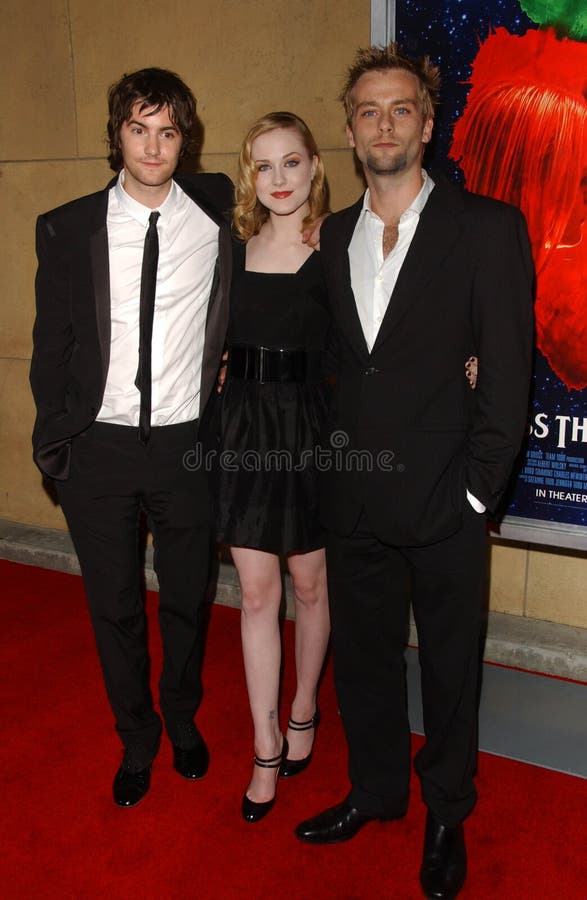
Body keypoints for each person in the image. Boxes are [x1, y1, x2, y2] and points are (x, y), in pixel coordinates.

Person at [294, 43, 534, 900]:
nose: (383, 123)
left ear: (427, 127)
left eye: (401, 109)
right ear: (351, 132)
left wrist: (476, 492)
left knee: (448, 668)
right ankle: (375, 790)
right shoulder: (331, 239)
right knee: (360, 660)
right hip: (353, 496)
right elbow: (337, 364)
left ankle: (446, 810)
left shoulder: (486, 228)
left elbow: (507, 373)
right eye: (367, 111)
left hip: (445, 501)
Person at [30, 68, 233, 808]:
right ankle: (136, 737)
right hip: (99, 449)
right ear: (116, 134)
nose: (153, 147)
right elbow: (50, 348)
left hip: (185, 444)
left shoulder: (219, 213)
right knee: (113, 605)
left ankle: (181, 718)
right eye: (139, 129)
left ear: (186, 140)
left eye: (169, 131)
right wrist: (56, 442)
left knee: (186, 596)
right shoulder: (67, 225)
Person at [214, 112, 331, 822]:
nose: (279, 179)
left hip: (313, 425)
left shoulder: (337, 243)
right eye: (264, 166)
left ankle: (304, 706)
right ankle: (263, 744)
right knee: (256, 594)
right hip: (244, 425)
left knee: (309, 583)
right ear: (248, 177)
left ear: (314, 166)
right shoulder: (233, 250)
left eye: (291, 163)